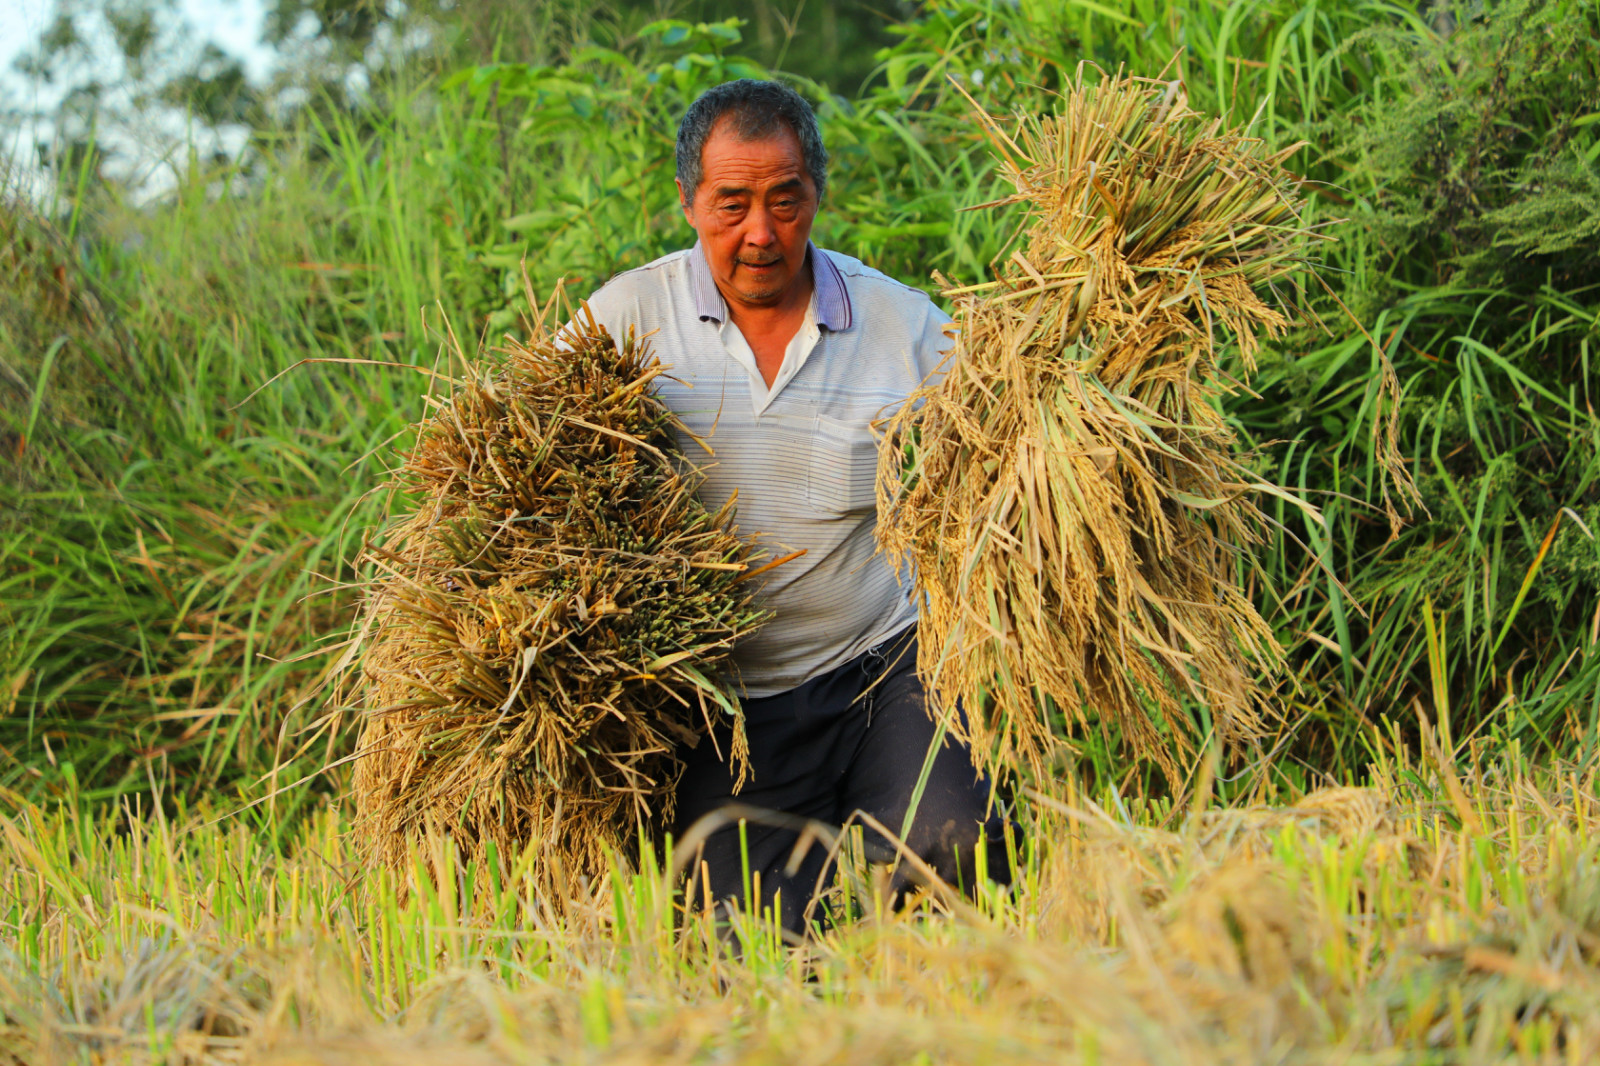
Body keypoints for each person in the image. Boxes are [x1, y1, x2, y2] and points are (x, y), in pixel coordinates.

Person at [581, 79, 1009, 935]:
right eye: (731, 204)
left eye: (786, 200)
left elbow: (1005, 441)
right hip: (727, 709)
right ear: (687, 203)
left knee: (950, 850)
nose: (761, 233)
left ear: (818, 191)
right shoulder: (622, 324)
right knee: (744, 941)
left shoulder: (902, 324)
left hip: (888, 664)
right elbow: (534, 464)